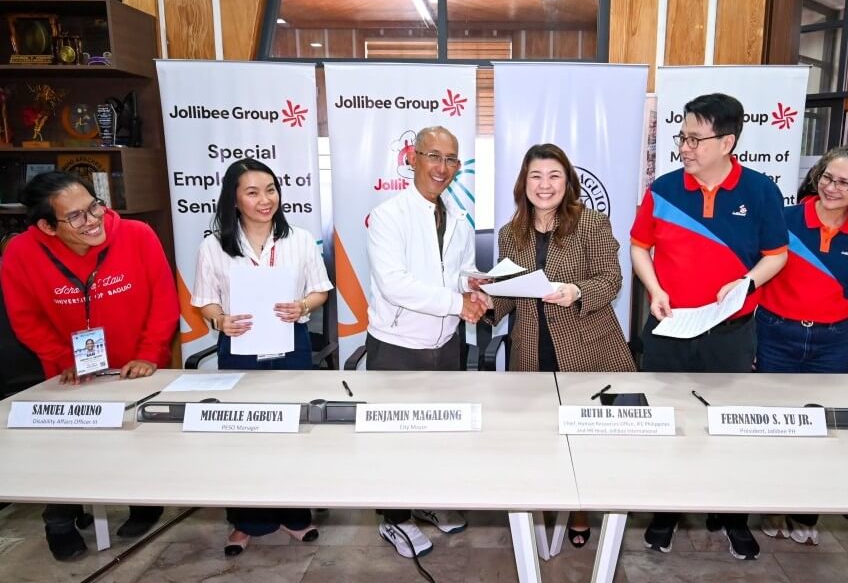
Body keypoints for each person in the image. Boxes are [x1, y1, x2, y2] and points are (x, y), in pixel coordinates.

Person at [630, 92, 789, 560]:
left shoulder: (760, 191)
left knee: (729, 425)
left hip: (730, 332)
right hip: (670, 327)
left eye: (696, 139)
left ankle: (731, 515)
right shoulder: (664, 189)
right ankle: (666, 512)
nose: (685, 148)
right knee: (668, 422)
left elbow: (777, 255)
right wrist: (655, 290)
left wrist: (745, 282)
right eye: (683, 137)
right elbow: (640, 247)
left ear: (728, 142)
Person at [0, 172, 176, 559]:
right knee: (65, 449)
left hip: (137, 366)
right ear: (47, 226)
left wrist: (149, 353)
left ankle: (143, 504)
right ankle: (60, 517)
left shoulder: (137, 235)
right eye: (76, 217)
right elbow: (25, 319)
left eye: (94, 206)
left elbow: (164, 299)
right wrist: (66, 359)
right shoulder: (20, 253)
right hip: (69, 375)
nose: (93, 220)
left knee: (137, 438)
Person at [488, 143, 635, 547]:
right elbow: (509, 292)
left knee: (585, 438)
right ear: (524, 183)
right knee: (538, 436)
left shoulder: (590, 223)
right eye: (536, 176)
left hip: (587, 347)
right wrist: (485, 300)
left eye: (554, 176)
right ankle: (542, 503)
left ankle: (581, 510)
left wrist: (577, 291)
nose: (544, 184)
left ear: (567, 181)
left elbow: (612, 279)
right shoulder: (510, 232)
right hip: (531, 349)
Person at [191, 158, 332, 556]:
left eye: (270, 189)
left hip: (292, 346)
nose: (264, 199)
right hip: (240, 351)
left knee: (292, 434)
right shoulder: (214, 245)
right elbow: (204, 301)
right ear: (234, 199)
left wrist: (302, 304)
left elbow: (321, 290)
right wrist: (220, 321)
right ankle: (247, 521)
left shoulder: (300, 240)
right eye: (252, 192)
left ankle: (295, 515)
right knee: (243, 436)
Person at [756, 143, 848, 545]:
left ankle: (805, 509)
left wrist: (831, 320)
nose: (832, 187)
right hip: (777, 334)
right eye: (828, 177)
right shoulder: (783, 218)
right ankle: (772, 505)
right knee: (777, 423)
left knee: (820, 425)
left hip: (832, 341)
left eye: (846, 183)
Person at [365, 125, 486, 558]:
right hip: (398, 344)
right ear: (412, 158)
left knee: (437, 431)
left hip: (446, 344)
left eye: (451, 159)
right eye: (433, 156)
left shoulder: (457, 217)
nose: (442, 167)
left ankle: (428, 501)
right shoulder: (387, 216)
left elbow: (458, 270)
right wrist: (457, 302)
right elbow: (395, 285)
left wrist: (473, 286)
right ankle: (393, 519)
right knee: (395, 438)